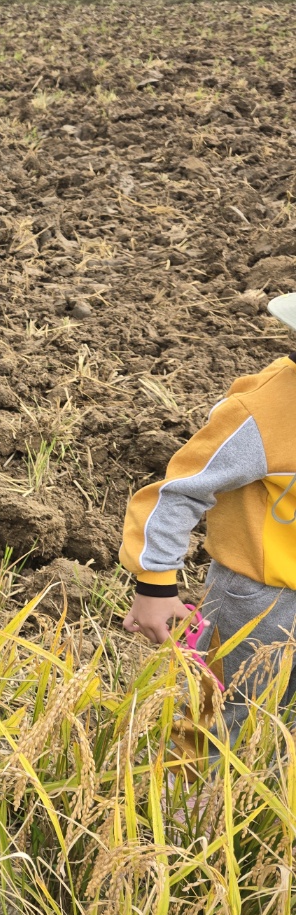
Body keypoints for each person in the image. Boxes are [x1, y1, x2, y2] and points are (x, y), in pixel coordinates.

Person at [120, 292, 296, 738]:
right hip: (262, 601)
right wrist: (154, 586)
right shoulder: (262, 413)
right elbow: (176, 493)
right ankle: (195, 803)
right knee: (229, 713)